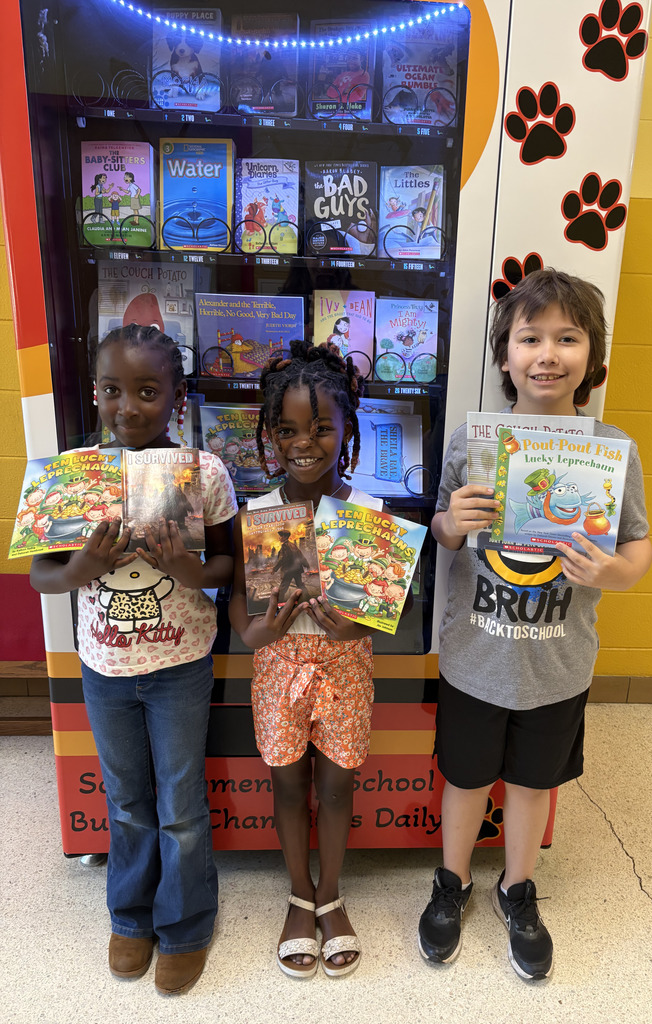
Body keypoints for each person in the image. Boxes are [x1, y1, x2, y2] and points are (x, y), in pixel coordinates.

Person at [417, 268, 652, 979]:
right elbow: (441, 530)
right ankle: (450, 883)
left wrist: (609, 571)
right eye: (530, 337)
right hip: (473, 657)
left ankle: (518, 888)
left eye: (567, 338)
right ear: (505, 356)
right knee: (465, 779)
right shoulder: (473, 440)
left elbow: (637, 547)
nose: (548, 353)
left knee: (530, 785)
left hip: (558, 664)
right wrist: (451, 523)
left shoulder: (612, 451)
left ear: (593, 356)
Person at [29, 324, 237, 996]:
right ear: (95, 392)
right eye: (114, 390)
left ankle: (185, 924)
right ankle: (130, 915)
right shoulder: (73, 474)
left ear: (176, 398)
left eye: (148, 391)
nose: (128, 407)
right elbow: (41, 577)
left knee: (179, 802)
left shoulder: (203, 473)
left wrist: (190, 567)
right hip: (105, 669)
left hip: (181, 664)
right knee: (126, 801)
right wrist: (80, 566)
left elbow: (233, 563)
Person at [229, 338, 380, 980]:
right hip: (278, 674)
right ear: (269, 433)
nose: (305, 443)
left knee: (337, 787)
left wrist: (353, 625)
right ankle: (298, 894)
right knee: (287, 784)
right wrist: (258, 632)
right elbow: (240, 616)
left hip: (345, 675)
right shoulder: (258, 515)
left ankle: (332, 893)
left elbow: (377, 613)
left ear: (346, 430)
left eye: (322, 428)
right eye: (288, 429)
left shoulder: (366, 514)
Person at [274, 527, 310, 602]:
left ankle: (278, 603)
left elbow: (281, 559)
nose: (279, 538)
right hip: (297, 569)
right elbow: (300, 555)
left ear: (285, 537)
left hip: (289, 571)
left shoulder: (285, 546)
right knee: (300, 585)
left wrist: (275, 569)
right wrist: (306, 564)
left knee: (283, 589)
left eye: (281, 536)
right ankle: (309, 598)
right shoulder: (293, 545)